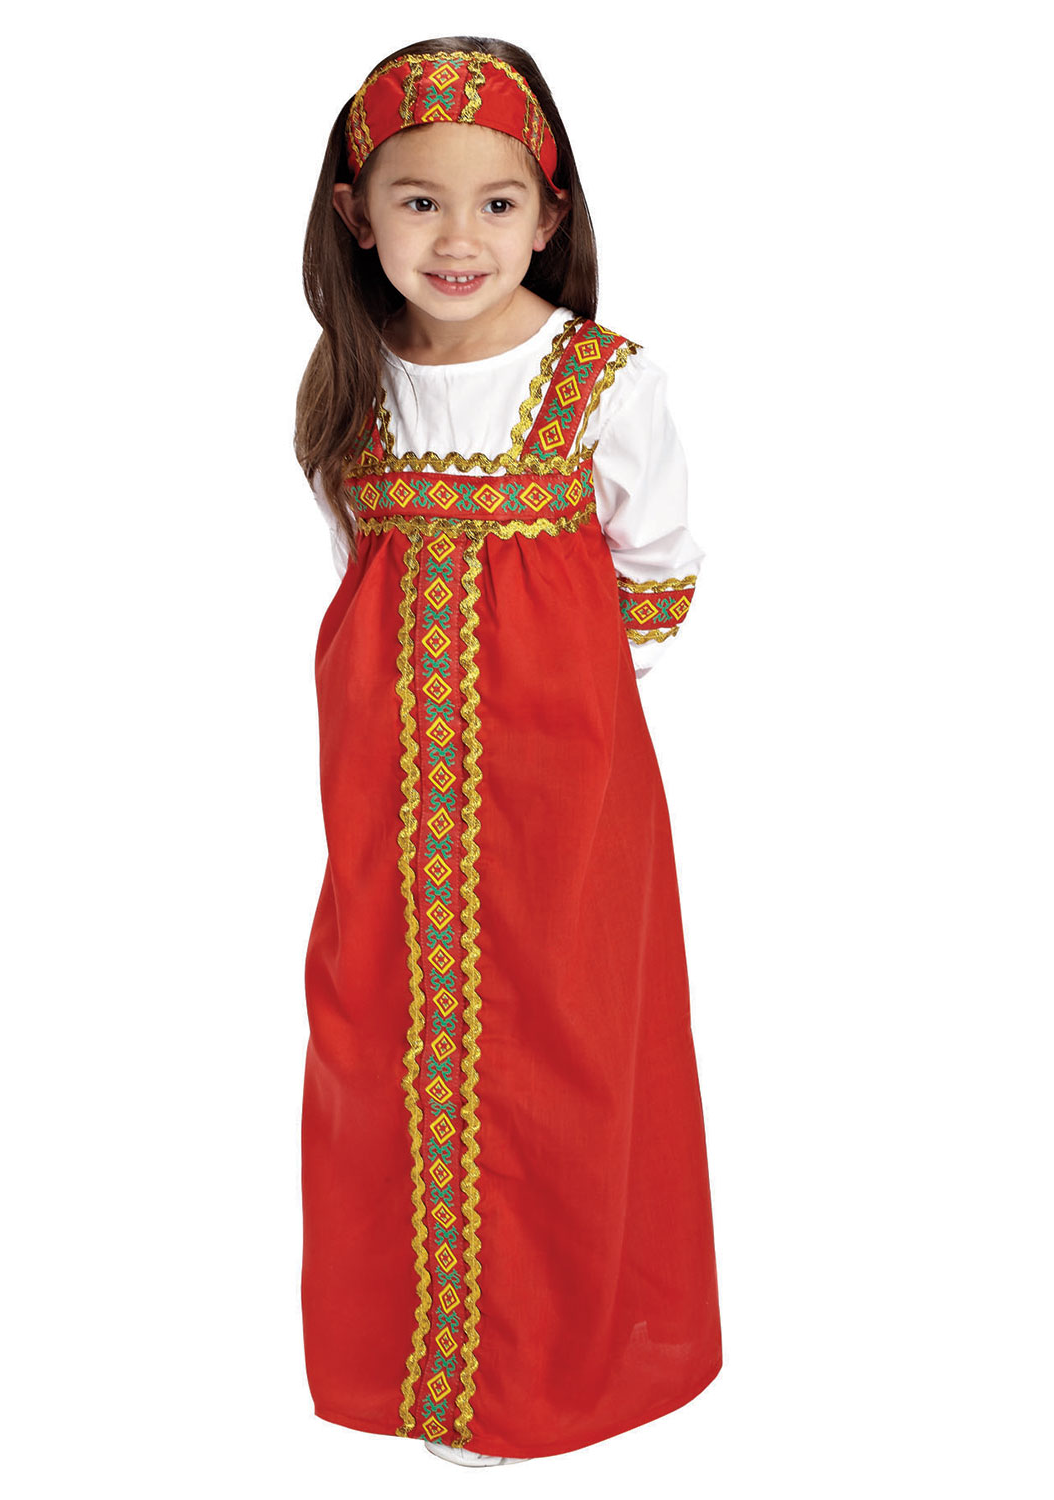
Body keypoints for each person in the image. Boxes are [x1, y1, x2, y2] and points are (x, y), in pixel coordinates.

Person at [294, 37, 721, 1466]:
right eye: (419, 202)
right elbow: (359, 565)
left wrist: (573, 725)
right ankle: (417, 1365)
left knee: (559, 1048)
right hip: (386, 781)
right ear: (358, 215)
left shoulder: (598, 380)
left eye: (495, 203)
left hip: (561, 780)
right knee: (384, 1037)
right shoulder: (355, 378)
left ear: (548, 215)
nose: (458, 237)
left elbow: (656, 568)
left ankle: (544, 1371)